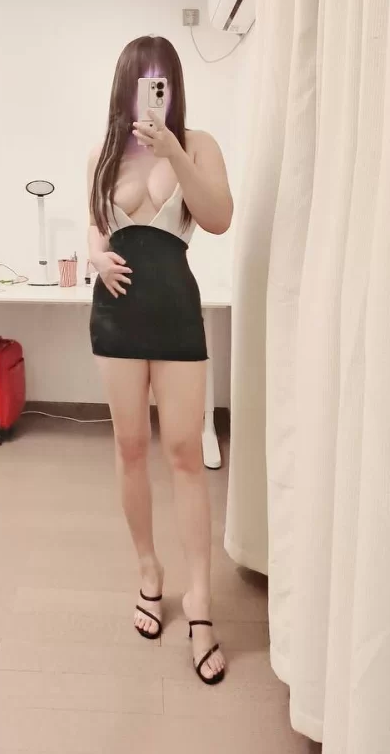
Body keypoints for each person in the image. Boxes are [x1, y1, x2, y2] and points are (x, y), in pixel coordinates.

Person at [87, 35, 233, 686]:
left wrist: (172, 149)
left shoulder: (197, 144)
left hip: (175, 309)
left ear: (173, 85)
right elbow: (94, 229)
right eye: (141, 79)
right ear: (125, 85)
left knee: (184, 453)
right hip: (115, 313)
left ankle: (200, 599)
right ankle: (148, 570)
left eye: (161, 80)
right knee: (128, 448)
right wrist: (95, 256)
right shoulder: (103, 152)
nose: (151, 90)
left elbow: (219, 217)